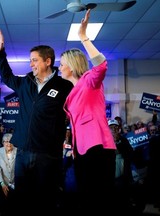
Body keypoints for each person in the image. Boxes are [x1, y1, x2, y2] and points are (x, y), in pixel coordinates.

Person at [0, 28, 73, 213]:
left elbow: (74, 115)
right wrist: (0, 52)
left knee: (45, 200)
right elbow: (6, 76)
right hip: (22, 151)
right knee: (22, 199)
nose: (31, 64)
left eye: (35, 60)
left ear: (48, 61)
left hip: (47, 154)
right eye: (30, 60)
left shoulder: (64, 86)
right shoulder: (25, 83)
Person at [59, 9, 116, 213]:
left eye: (62, 64)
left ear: (72, 67)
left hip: (98, 147)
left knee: (98, 200)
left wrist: (83, 37)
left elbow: (101, 65)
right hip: (81, 151)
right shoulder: (72, 92)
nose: (59, 67)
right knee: (86, 198)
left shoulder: (89, 82)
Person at [0, 133, 17, 215]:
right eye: (6, 142)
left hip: (16, 184)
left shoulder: (18, 151)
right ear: (3, 142)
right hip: (4, 184)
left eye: (10, 141)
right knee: (3, 208)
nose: (8, 144)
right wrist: (2, 184)